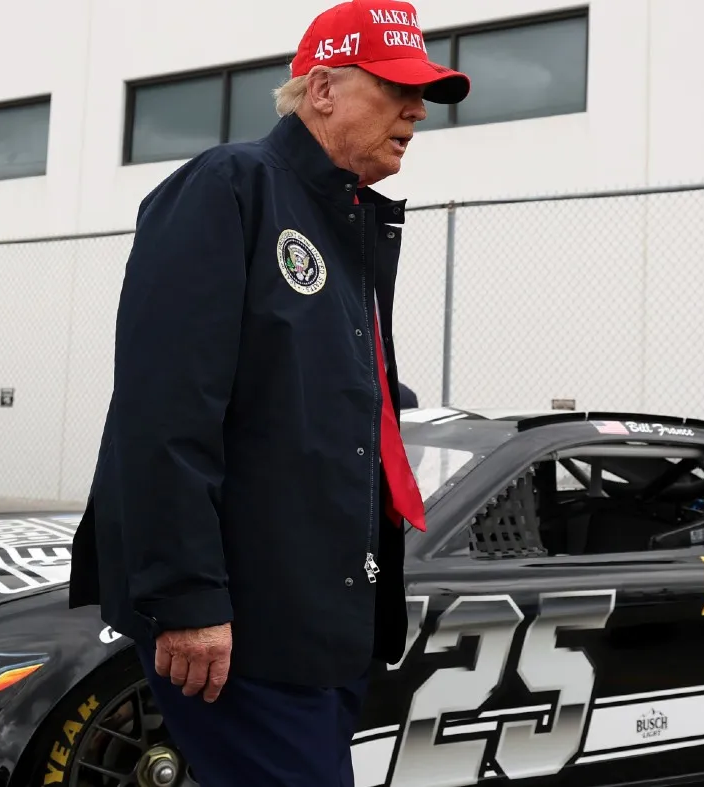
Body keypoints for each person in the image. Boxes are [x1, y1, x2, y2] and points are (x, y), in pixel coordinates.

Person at [67, 1, 469, 783]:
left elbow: (315, 405)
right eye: (396, 89)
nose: (417, 111)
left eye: (422, 95)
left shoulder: (347, 220)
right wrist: (186, 598)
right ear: (322, 90)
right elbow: (165, 411)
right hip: (243, 624)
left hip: (323, 620)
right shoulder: (232, 185)